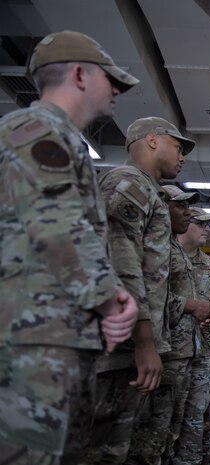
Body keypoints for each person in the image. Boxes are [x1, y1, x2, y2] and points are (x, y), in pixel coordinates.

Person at [0, 30, 139, 464]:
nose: (116, 89)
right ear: (79, 74)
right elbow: (54, 224)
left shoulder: (59, 137)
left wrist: (107, 299)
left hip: (55, 336)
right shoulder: (34, 129)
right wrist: (109, 302)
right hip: (32, 344)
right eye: (110, 78)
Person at [85, 116, 196, 464]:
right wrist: (146, 342)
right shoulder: (127, 184)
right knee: (102, 449)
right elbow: (123, 267)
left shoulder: (148, 191)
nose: (182, 157)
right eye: (178, 147)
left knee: (125, 446)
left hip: (130, 347)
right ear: (152, 140)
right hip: (121, 347)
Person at [127, 185, 210, 465]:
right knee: (152, 430)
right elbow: (142, 291)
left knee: (172, 426)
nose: (187, 213)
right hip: (160, 349)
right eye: (180, 206)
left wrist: (203, 313)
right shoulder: (154, 244)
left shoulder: (174, 246)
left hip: (183, 349)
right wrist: (190, 306)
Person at [173, 207, 210, 465]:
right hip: (170, 352)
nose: (206, 228)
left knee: (199, 411)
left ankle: (195, 459)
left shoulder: (208, 264)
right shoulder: (166, 256)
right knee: (170, 414)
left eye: (209, 224)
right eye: (201, 223)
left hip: (201, 350)